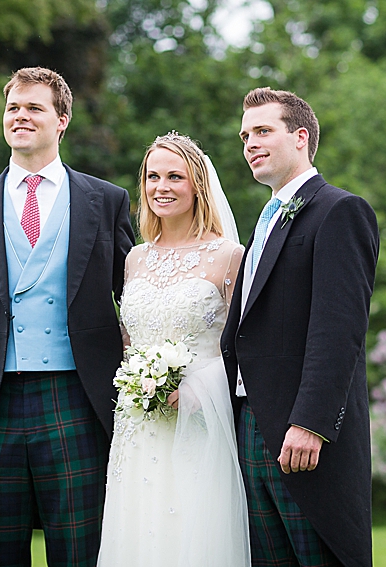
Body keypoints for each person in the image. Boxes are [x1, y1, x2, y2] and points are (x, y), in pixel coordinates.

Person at [0, 67, 134, 567]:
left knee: (81, 553)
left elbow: (136, 299)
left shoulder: (106, 200)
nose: (21, 116)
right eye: (13, 107)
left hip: (79, 399)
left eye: (34, 107)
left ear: (61, 120)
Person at [220, 88, 379, 567]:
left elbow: (339, 329)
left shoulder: (339, 211)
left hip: (301, 433)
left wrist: (310, 422)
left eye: (263, 131)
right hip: (251, 423)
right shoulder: (265, 219)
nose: (250, 143)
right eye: (245, 135)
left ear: (301, 137)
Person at [97, 132, 250, 567]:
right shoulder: (135, 259)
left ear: (197, 185)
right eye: (152, 176)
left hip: (200, 419)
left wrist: (198, 391)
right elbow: (130, 341)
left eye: (174, 177)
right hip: (136, 424)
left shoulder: (228, 256)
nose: (161, 187)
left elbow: (242, 346)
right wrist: (137, 380)